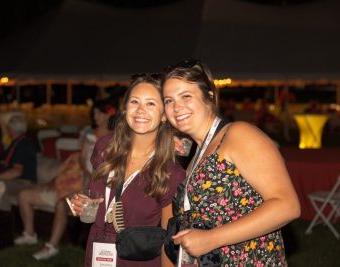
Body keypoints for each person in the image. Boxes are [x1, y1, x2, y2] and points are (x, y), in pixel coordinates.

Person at [161, 59, 300, 266]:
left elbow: (287, 206)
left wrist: (212, 239)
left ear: (209, 96)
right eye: (168, 100)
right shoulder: (197, 155)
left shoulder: (238, 134)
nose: (176, 107)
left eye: (186, 96)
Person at [71, 74, 185, 267]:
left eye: (151, 104)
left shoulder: (171, 173)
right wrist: (82, 203)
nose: (141, 110)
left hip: (137, 260)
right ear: (125, 109)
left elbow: (169, 240)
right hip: (98, 250)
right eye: (135, 102)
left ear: (164, 115)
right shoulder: (105, 147)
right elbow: (99, 197)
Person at [14, 99, 117, 261]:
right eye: (94, 112)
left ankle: (51, 246)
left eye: (100, 113)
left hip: (91, 188)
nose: (96, 116)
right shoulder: (89, 134)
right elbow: (82, 162)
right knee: (24, 195)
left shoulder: (115, 139)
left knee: (62, 203)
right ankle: (29, 234)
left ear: (109, 114)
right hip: (74, 182)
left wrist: (87, 183)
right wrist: (60, 179)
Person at [0, 114, 37, 211]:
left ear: (11, 129)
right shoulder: (15, 143)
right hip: (16, 180)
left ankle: (4, 217)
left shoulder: (23, 145)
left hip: (24, 183)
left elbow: (16, 172)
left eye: (8, 127)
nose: (7, 129)